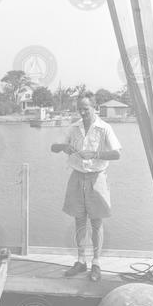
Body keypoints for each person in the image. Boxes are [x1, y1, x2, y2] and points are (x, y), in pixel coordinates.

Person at [51, 93, 121, 282]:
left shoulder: (104, 128)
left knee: (97, 223)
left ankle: (96, 263)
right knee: (79, 221)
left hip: (97, 178)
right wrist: (62, 147)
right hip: (76, 177)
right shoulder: (73, 128)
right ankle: (81, 260)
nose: (82, 112)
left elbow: (116, 154)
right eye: (79, 109)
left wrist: (96, 153)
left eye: (86, 108)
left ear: (95, 107)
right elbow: (54, 147)